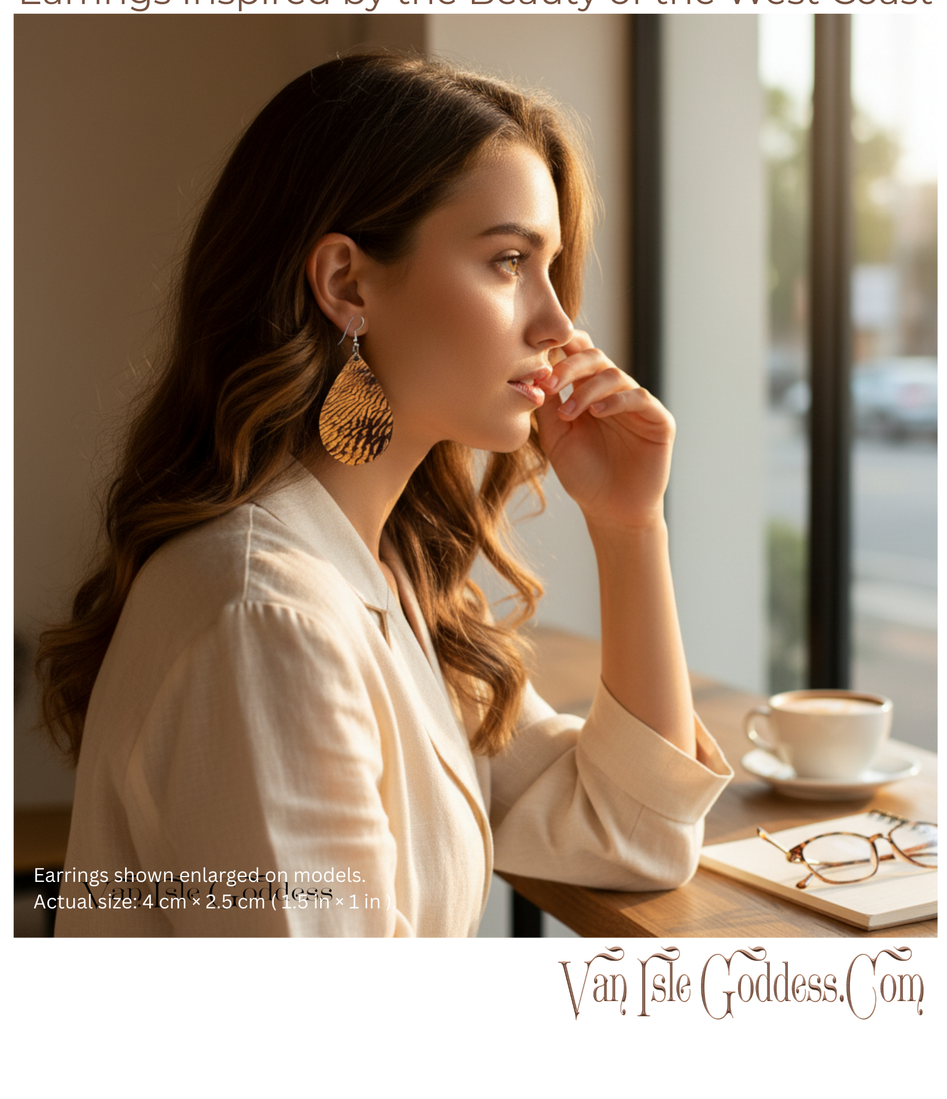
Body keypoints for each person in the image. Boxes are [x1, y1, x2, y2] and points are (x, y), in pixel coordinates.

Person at [37, 50, 732, 936]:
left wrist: (629, 527)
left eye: (551, 267)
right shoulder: (269, 618)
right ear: (346, 284)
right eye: (508, 260)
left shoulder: (382, 567)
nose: (558, 325)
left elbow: (629, 833)